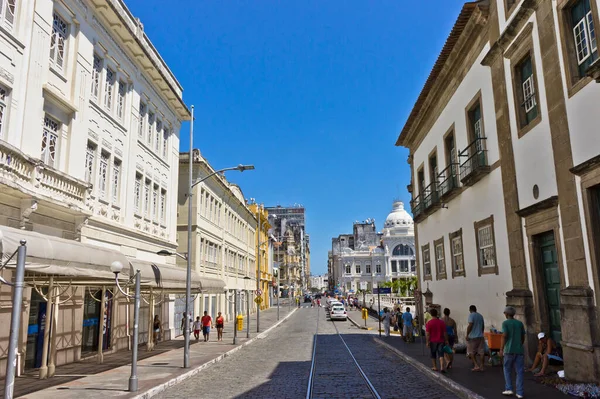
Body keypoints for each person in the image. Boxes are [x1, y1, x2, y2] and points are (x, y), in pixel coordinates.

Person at [500, 306, 526, 398]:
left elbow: (504, 336)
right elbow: (523, 337)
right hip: (519, 350)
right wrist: (519, 344)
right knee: (519, 371)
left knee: (507, 369)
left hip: (508, 350)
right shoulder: (519, 323)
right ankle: (520, 392)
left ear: (506, 314)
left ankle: (509, 388)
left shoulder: (505, 323)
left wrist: (501, 349)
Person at [426, 308, 448, 373]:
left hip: (433, 341)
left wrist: (427, 342)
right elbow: (445, 333)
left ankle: (435, 367)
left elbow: (427, 334)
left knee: (433, 354)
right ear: (437, 314)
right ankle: (442, 367)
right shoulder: (442, 322)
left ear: (430, 314)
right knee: (441, 354)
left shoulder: (429, 323)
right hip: (441, 340)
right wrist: (446, 340)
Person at [466, 305, 485, 372]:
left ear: (470, 310)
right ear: (476, 309)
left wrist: (467, 334)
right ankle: (482, 366)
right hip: (480, 336)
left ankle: (476, 366)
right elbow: (483, 326)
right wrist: (481, 333)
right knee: (481, 352)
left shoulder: (471, 315)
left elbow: (470, 325)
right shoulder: (480, 316)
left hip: (473, 337)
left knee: (471, 352)